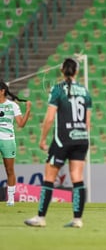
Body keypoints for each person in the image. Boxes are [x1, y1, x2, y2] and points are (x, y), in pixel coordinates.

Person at [24, 58, 92, 227]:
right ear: (76, 71)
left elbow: (49, 118)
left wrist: (42, 139)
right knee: (77, 177)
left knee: (49, 177)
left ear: (62, 71)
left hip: (62, 139)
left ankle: (41, 217)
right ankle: (77, 219)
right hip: (81, 138)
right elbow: (87, 123)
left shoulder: (57, 89)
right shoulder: (85, 91)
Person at [0, 81, 31, 206]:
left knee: (9, 170)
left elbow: (21, 124)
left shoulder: (12, 105)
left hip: (8, 140)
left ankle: (11, 199)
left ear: (2, 91)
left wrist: (28, 110)